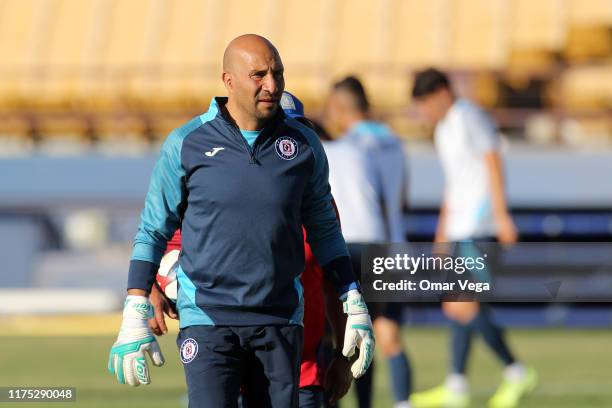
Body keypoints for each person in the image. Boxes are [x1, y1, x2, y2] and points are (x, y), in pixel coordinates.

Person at [107, 35, 374, 408]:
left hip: (280, 321)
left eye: (277, 73)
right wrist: (136, 303)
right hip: (208, 320)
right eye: (258, 75)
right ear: (228, 80)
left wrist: (352, 296)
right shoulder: (186, 142)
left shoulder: (304, 146)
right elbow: (155, 229)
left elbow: (327, 232)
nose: (272, 84)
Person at [147, 91, 354, 408]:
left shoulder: (320, 209)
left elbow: (333, 282)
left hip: (303, 371)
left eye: (297, 129)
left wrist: (341, 355)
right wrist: (155, 286)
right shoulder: (222, 195)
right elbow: (166, 246)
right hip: (230, 359)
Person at [409, 68, 537, 408]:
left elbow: (492, 162)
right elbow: (454, 183)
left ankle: (515, 370)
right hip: (459, 227)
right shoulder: (444, 131)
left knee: (461, 304)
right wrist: (441, 232)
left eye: (422, 104)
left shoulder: (469, 117)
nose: (421, 113)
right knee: (458, 304)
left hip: (480, 226)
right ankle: (457, 384)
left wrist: (502, 215)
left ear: (439, 93)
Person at [324, 76, 413, 408]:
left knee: (345, 334)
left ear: (340, 107)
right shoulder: (394, 142)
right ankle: (403, 402)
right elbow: (401, 198)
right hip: (391, 246)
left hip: (354, 241)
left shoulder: (348, 147)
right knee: (386, 335)